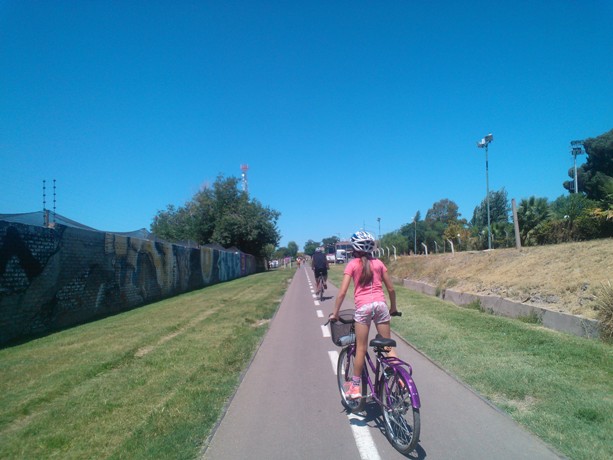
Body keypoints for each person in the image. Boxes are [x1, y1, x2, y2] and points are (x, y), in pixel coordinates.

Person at [329, 231, 398, 400]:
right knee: (388, 347)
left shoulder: (352, 264)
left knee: (361, 348)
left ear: (354, 248)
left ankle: (355, 387)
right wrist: (393, 308)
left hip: (364, 308)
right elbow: (391, 289)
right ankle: (401, 381)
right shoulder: (379, 263)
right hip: (381, 306)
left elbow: (342, 292)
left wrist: (335, 313)